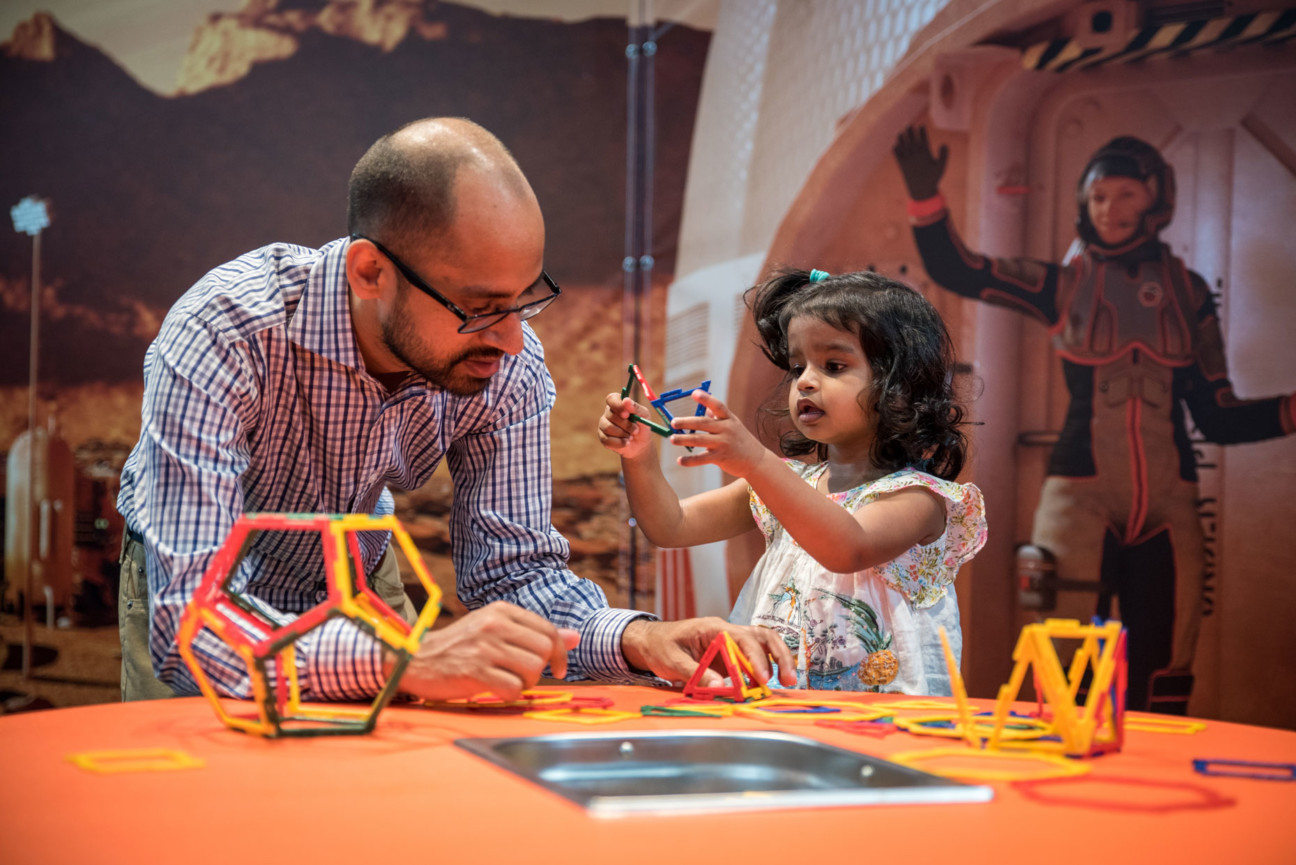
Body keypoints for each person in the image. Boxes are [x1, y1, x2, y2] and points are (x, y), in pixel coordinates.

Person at [116, 117, 793, 704]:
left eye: (525, 298)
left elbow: (515, 572)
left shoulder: (510, 361)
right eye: (478, 306)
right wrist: (404, 661)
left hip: (356, 574)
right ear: (369, 274)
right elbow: (194, 625)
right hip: (200, 584)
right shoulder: (227, 328)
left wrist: (640, 637)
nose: (509, 337)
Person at [893, 125, 1296, 712]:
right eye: (1099, 196)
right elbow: (961, 270)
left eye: (1126, 195)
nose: (1109, 209)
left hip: (1171, 500)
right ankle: (1060, 794)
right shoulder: (1064, 285)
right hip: (1078, 497)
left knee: (1166, 670)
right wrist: (926, 198)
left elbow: (1219, 419)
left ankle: (1157, 794)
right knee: (1063, 666)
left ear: (1157, 200)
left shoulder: (1188, 292)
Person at [599, 269, 987, 694]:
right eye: (798, 365)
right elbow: (669, 526)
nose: (804, 380)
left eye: (833, 366)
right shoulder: (784, 481)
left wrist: (756, 462)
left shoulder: (920, 497)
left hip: (882, 719)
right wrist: (638, 456)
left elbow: (848, 547)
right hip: (781, 705)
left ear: (898, 387)